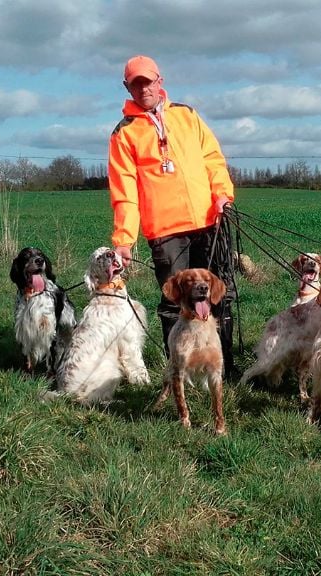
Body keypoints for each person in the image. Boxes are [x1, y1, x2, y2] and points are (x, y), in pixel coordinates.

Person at [108, 54, 238, 375]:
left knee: (220, 295)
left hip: (211, 222)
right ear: (128, 87)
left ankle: (223, 367)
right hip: (165, 233)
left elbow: (213, 159)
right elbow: (124, 192)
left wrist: (222, 194)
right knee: (173, 301)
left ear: (159, 81)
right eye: (136, 84)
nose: (143, 89)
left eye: (148, 82)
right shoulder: (124, 133)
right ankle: (177, 370)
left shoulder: (187, 115)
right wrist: (124, 241)